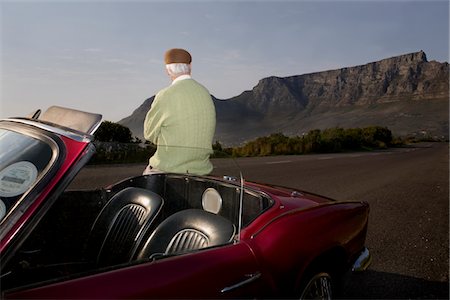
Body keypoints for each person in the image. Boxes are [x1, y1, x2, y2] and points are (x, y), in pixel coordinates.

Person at [143, 48, 216, 175]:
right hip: (202, 171)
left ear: (167, 70)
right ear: (190, 67)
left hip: (168, 171)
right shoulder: (205, 93)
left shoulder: (165, 95)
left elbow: (149, 134)